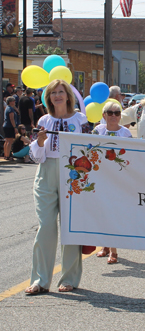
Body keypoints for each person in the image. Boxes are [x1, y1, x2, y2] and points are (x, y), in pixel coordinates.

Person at [25, 79, 92, 295]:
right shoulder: (44, 120)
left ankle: (69, 278)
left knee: (69, 226)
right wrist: (41, 142)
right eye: (53, 92)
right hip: (46, 172)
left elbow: (89, 149)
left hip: (71, 172)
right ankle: (40, 280)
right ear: (48, 97)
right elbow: (35, 156)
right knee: (45, 226)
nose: (57, 96)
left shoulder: (80, 119)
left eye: (61, 91)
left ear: (68, 95)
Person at [92, 101, 133, 264]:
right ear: (104, 115)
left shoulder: (126, 133)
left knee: (113, 213)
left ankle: (114, 251)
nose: (114, 116)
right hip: (101, 176)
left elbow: (131, 156)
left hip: (118, 178)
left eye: (117, 113)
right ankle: (106, 245)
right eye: (110, 113)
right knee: (102, 212)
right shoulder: (98, 131)